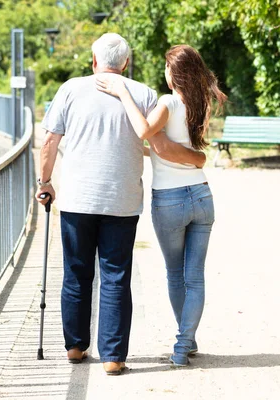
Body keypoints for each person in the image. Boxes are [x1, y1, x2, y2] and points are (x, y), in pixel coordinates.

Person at [35, 34, 206, 375]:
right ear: (126, 63)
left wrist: (45, 183)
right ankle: (113, 357)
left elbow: (50, 140)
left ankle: (75, 347)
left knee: (76, 274)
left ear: (93, 60)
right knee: (115, 277)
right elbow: (158, 144)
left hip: (78, 199)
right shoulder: (142, 93)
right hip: (123, 200)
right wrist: (198, 158)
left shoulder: (70, 88)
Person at [96, 44, 227, 366]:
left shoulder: (168, 101)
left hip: (170, 199)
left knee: (174, 273)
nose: (164, 73)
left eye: (167, 67)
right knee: (194, 276)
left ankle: (183, 347)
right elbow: (166, 148)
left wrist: (122, 91)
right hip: (201, 195)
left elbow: (143, 130)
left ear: (174, 73)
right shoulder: (199, 102)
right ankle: (187, 343)